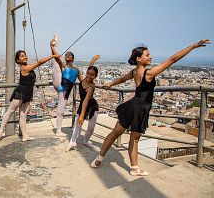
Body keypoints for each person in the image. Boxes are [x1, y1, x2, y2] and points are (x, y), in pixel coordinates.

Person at [90, 39, 211, 176]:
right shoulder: (149, 73)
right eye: (147, 55)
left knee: (114, 134)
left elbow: (122, 79)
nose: (150, 57)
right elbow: (172, 59)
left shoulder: (134, 72)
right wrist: (192, 47)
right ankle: (134, 169)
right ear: (139, 58)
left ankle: (98, 159)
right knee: (134, 139)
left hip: (132, 105)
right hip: (141, 108)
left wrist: (110, 84)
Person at [0, 50, 60, 141]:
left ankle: (25, 135)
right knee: (10, 111)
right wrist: (52, 56)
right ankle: (0, 132)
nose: (25, 57)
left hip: (28, 92)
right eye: (22, 56)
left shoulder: (27, 67)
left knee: (23, 114)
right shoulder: (25, 68)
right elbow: (39, 62)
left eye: (25, 55)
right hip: (21, 91)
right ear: (18, 60)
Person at [50, 35, 100, 137]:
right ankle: (58, 130)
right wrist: (52, 47)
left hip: (67, 91)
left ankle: (58, 130)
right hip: (63, 89)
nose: (67, 55)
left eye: (70, 55)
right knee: (60, 110)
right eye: (66, 55)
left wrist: (93, 61)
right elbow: (57, 58)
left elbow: (85, 79)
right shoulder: (63, 66)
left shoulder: (77, 70)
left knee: (61, 109)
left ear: (73, 58)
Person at [67, 66, 100, 151]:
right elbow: (90, 66)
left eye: (92, 75)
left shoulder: (91, 87)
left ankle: (85, 141)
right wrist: (93, 59)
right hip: (83, 104)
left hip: (92, 106)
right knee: (78, 125)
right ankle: (72, 142)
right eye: (88, 74)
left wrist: (82, 115)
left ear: (95, 76)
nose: (89, 76)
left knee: (91, 127)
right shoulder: (83, 79)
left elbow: (86, 101)